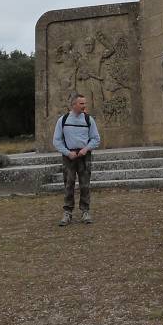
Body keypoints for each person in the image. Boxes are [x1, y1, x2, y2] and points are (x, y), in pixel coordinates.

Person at [53, 93, 101, 226]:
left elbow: (96, 139)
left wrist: (86, 149)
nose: (84, 106)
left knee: (85, 184)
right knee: (69, 184)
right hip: (69, 156)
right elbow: (57, 141)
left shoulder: (88, 120)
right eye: (81, 103)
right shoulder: (63, 120)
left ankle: (85, 211)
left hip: (84, 156)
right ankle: (67, 213)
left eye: (85, 103)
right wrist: (68, 153)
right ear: (73, 105)